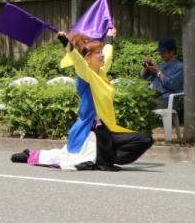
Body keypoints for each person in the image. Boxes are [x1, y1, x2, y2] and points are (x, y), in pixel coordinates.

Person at [13, 27, 153, 171]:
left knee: (145, 139)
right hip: (93, 130)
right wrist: (67, 44)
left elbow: (108, 56)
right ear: (88, 58)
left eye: (101, 52)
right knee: (70, 157)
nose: (102, 55)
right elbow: (78, 62)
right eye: (98, 53)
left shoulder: (102, 73)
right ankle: (31, 156)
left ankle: (105, 157)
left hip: (110, 128)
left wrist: (110, 38)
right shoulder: (86, 76)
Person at [141, 37, 184, 105]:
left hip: (167, 100)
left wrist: (158, 71)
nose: (160, 54)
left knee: (142, 107)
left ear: (172, 51)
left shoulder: (180, 67)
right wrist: (145, 66)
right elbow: (144, 78)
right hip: (153, 98)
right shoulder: (161, 65)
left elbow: (171, 85)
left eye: (163, 52)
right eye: (160, 52)